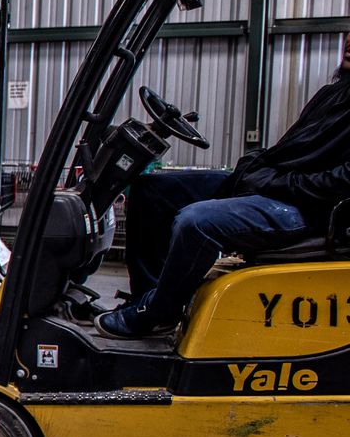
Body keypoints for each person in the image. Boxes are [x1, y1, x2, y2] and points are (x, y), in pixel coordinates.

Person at [97, 33, 350, 338]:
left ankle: (157, 312)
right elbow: (292, 151)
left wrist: (274, 181)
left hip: (310, 211)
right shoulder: (332, 94)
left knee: (197, 222)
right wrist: (256, 168)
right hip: (279, 187)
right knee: (152, 191)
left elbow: (339, 182)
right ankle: (150, 300)